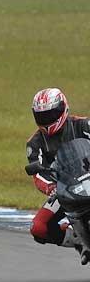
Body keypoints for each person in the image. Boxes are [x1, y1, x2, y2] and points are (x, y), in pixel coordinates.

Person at [26, 88, 90, 261]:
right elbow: (38, 174)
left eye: (51, 114)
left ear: (63, 108)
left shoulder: (83, 125)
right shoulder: (35, 143)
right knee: (38, 227)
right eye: (42, 116)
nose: (47, 120)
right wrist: (51, 187)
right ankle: (80, 242)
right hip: (64, 190)